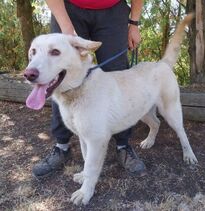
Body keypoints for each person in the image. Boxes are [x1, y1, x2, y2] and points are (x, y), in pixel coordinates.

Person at [32, 0, 146, 178]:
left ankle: (123, 145)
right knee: (58, 75)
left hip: (114, 13)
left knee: (117, 73)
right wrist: (66, 27)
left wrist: (134, 23)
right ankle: (62, 146)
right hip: (67, 9)